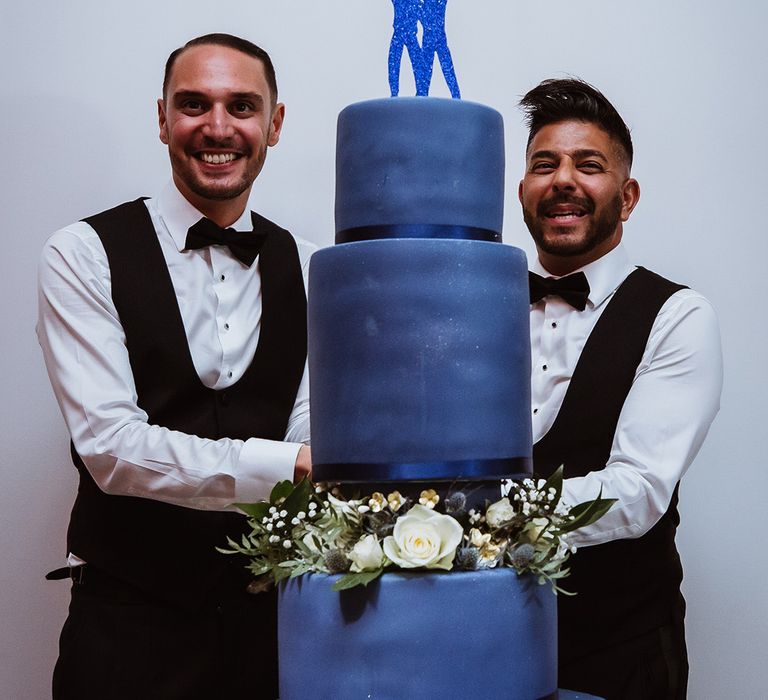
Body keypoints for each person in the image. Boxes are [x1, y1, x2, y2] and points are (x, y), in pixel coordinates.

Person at [37, 33, 314, 699]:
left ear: (274, 124)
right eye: (194, 104)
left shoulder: (311, 267)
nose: (218, 128)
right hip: (127, 626)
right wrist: (292, 465)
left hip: (272, 628)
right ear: (162, 117)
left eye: (242, 107)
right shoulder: (82, 252)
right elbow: (110, 448)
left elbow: (310, 425)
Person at [516, 78, 722, 699]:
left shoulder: (677, 315)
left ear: (627, 197)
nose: (562, 180)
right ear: (523, 189)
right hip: (481, 638)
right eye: (543, 165)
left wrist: (484, 518)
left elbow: (638, 490)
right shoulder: (477, 306)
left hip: (620, 652)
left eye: (589, 165)